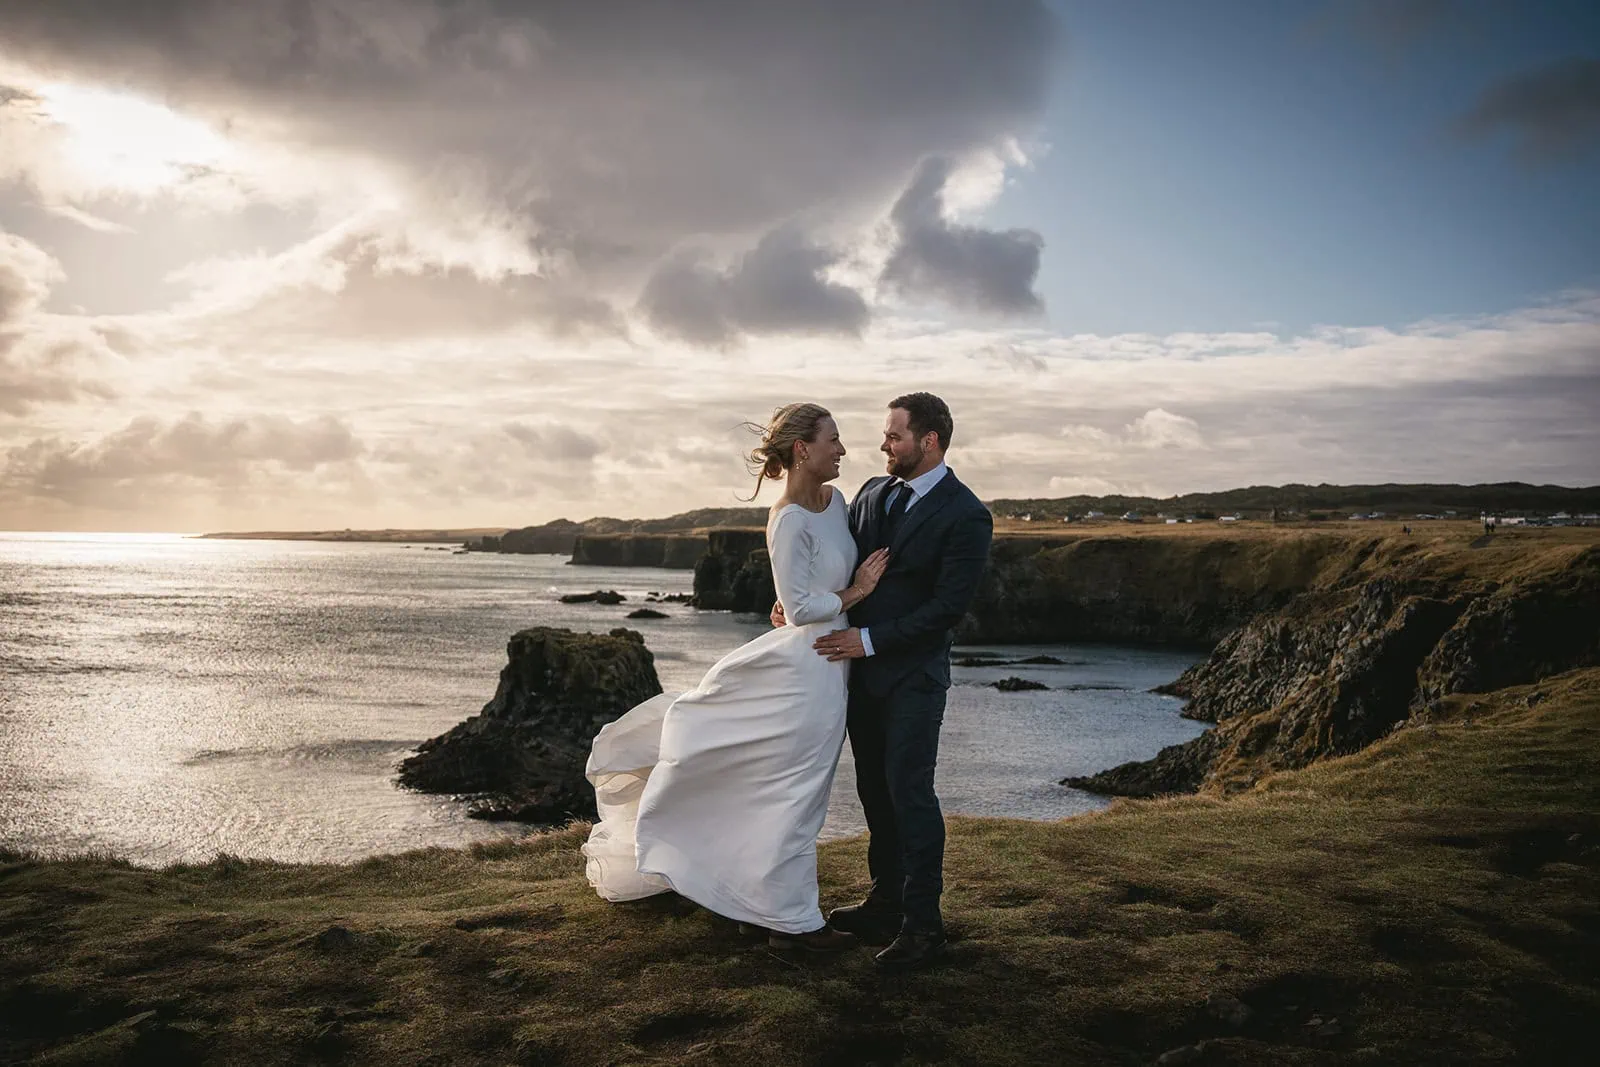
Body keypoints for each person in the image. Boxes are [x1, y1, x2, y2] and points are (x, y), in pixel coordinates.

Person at [581, 402, 888, 954]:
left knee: (791, 790)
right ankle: (795, 926)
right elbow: (799, 609)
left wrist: (814, 600)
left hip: (828, 661)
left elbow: (800, 593)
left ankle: (755, 905)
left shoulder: (836, 501)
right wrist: (854, 594)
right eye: (834, 440)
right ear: (803, 450)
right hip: (806, 670)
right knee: (796, 791)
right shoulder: (789, 515)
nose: (843, 450)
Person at [778, 393, 994, 969]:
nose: (883, 445)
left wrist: (868, 640)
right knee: (874, 790)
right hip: (858, 679)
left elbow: (947, 609)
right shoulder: (871, 492)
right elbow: (830, 564)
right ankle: (885, 902)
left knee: (910, 793)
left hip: (913, 680)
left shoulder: (966, 514)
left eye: (894, 436)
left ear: (929, 441)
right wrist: (796, 607)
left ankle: (924, 927)